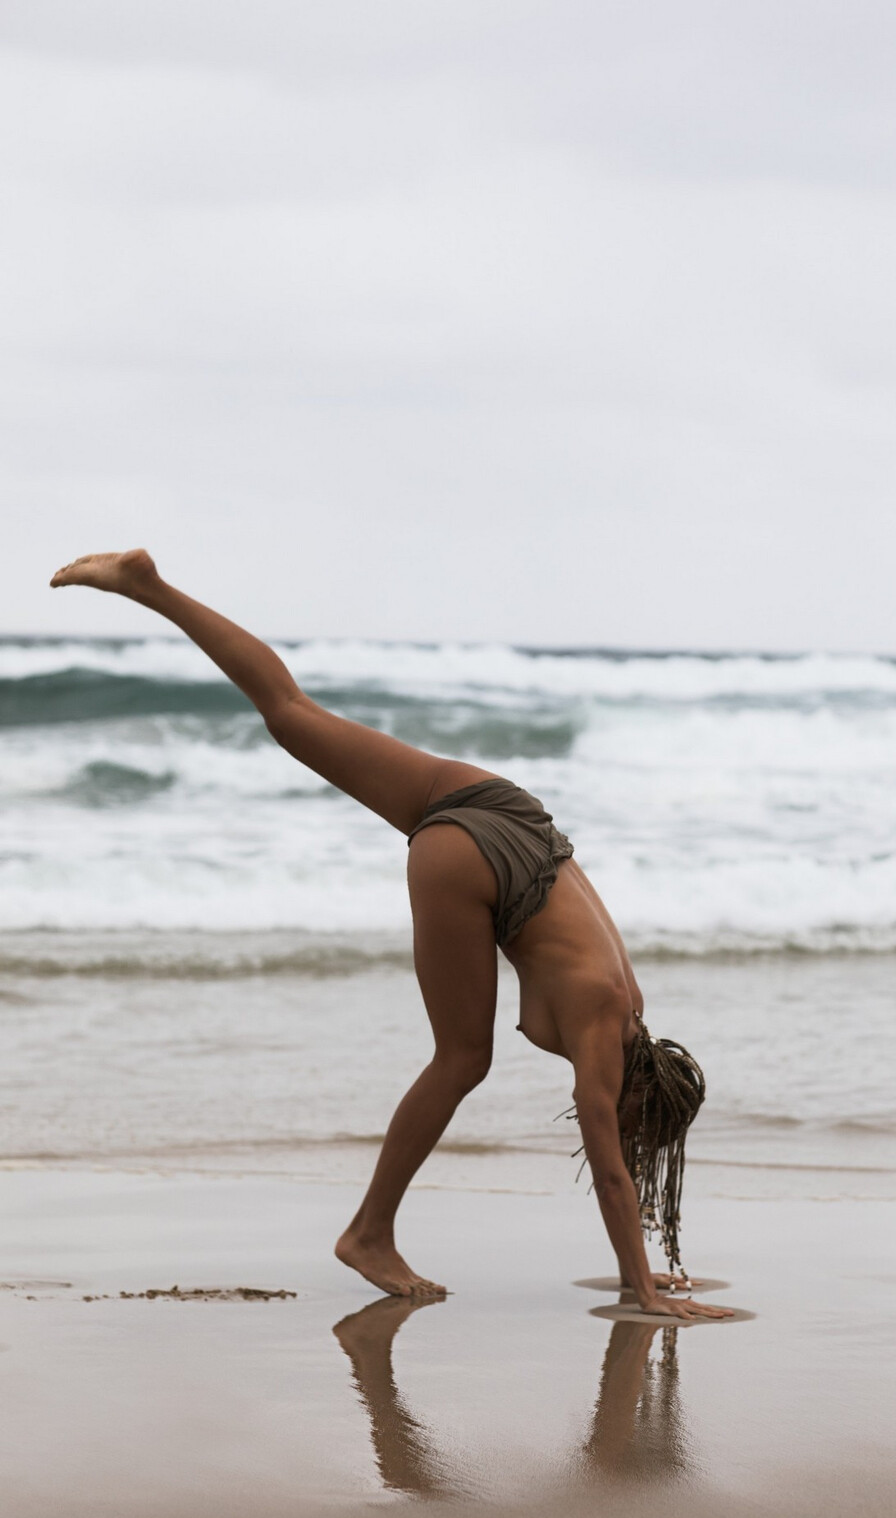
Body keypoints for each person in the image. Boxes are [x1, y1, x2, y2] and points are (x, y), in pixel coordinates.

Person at [50, 550, 734, 1323]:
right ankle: (369, 1231)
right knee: (462, 1057)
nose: (622, 1135)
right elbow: (611, 1176)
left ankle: (151, 587)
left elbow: (620, 1169)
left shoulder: (626, 999)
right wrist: (643, 1292)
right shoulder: (607, 1030)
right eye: (637, 1123)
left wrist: (642, 1269)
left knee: (290, 712)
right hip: (472, 863)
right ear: (645, 1091)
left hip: (503, 806)